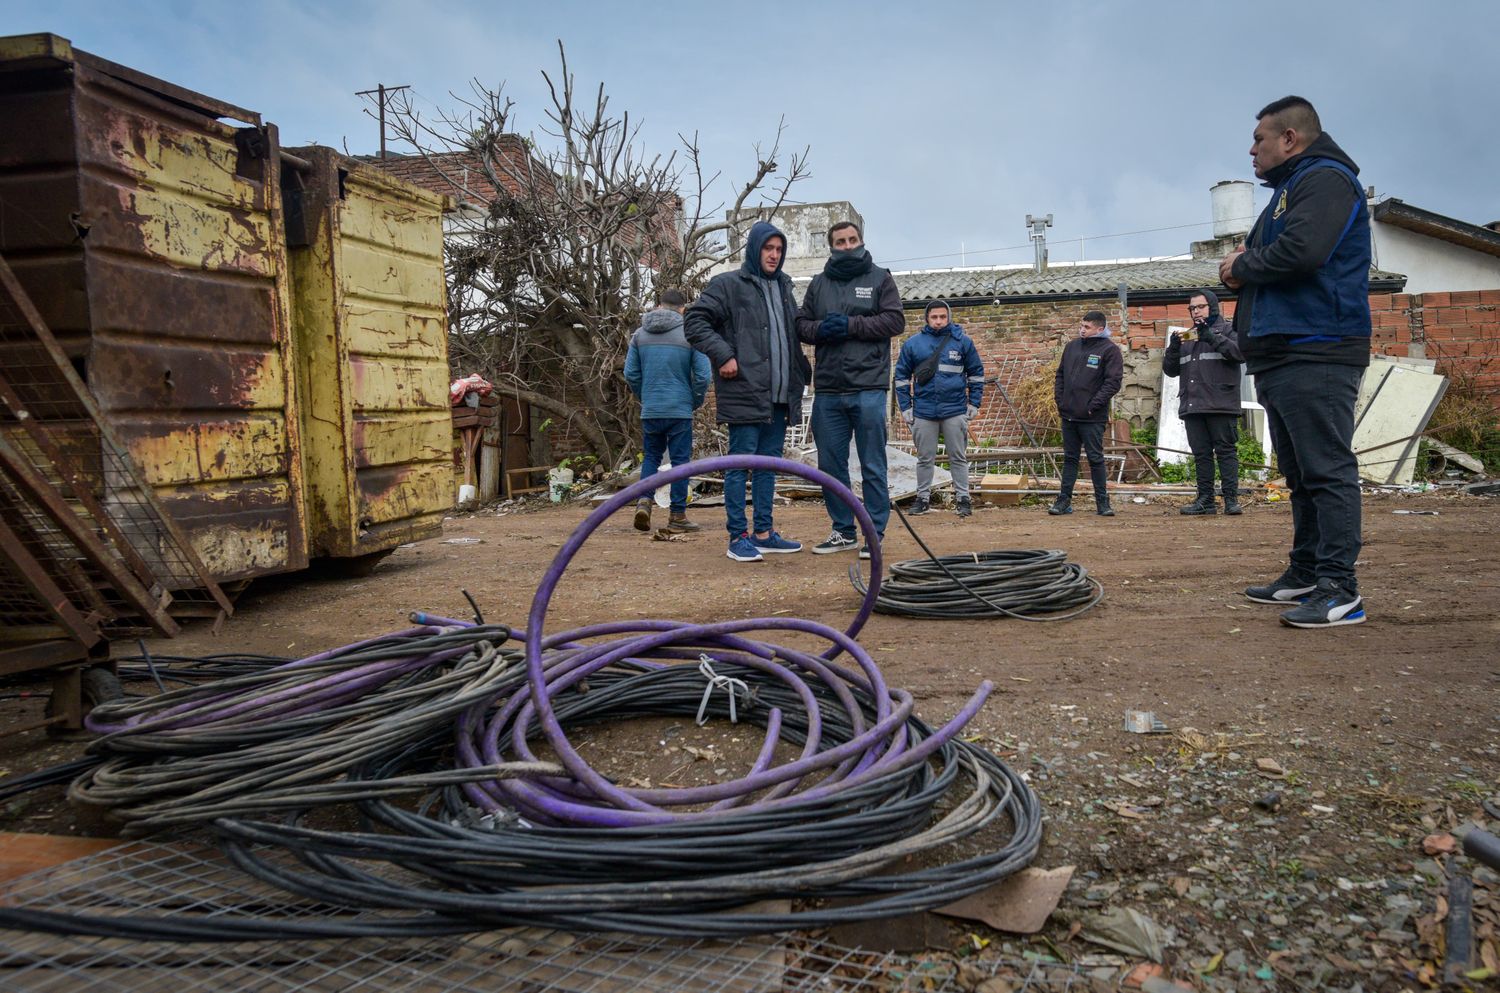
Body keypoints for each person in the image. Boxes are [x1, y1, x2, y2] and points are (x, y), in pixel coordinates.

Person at [1220, 95, 1370, 628]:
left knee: (1326, 470)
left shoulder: (1326, 179)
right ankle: (1306, 572)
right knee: (1301, 473)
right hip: (1283, 352)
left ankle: (1339, 589)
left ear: (1290, 138)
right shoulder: (1289, 190)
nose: (1251, 149)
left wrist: (1240, 265)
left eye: (1259, 138)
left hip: (1318, 346)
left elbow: (1303, 253)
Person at [684, 220, 811, 563]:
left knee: (768, 466)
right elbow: (695, 321)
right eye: (768, 249)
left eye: (779, 249)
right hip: (745, 392)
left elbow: (789, 335)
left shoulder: (784, 286)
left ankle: (764, 533)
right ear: (754, 250)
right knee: (740, 465)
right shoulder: (728, 285)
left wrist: (802, 369)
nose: (774, 255)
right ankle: (737, 536)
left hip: (780, 395)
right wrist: (723, 354)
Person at [794, 220, 905, 558]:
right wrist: (822, 330)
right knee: (830, 466)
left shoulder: (880, 278)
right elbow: (801, 325)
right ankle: (843, 530)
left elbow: (894, 321)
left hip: (868, 387)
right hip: (828, 389)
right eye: (840, 241)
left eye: (851, 239)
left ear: (861, 241)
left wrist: (852, 324)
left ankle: (873, 533)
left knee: (873, 464)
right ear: (831, 246)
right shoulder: (819, 284)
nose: (846, 245)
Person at [623, 288, 712, 533]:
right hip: (679, 409)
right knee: (681, 462)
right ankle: (677, 516)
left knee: (651, 457)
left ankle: (644, 501)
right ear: (683, 309)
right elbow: (704, 376)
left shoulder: (640, 334)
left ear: (659, 306)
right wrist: (693, 400)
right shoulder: (690, 334)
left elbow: (630, 373)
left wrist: (646, 395)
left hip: (652, 409)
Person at [893, 299, 985, 517]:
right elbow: (901, 378)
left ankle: (963, 498)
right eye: (934, 317)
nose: (938, 321)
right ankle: (922, 499)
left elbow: (976, 374)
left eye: (943, 317)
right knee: (925, 458)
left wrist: (974, 403)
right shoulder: (913, 344)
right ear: (927, 318)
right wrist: (906, 407)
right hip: (924, 411)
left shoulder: (963, 342)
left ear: (949, 317)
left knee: (958, 456)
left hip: (955, 410)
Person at [1163, 289, 1245, 516]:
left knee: (1226, 452)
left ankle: (1231, 500)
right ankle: (1206, 501)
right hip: (1193, 405)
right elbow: (1170, 372)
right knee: (1201, 454)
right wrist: (1173, 349)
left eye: (1200, 306)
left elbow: (1239, 353)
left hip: (1221, 403)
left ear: (1212, 307)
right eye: (1192, 308)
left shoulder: (1228, 330)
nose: (1195, 311)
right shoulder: (1188, 337)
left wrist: (1212, 336)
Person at [1049, 311, 1123, 517]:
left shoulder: (1110, 350)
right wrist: (1060, 401)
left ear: (1100, 329)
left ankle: (1103, 502)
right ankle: (1063, 501)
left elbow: (1113, 383)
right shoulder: (1072, 347)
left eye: (1087, 327)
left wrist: (1093, 405)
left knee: (1095, 458)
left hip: (1092, 417)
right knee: (1070, 458)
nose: (1082, 329)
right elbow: (1060, 375)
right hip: (1069, 414)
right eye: (1081, 325)